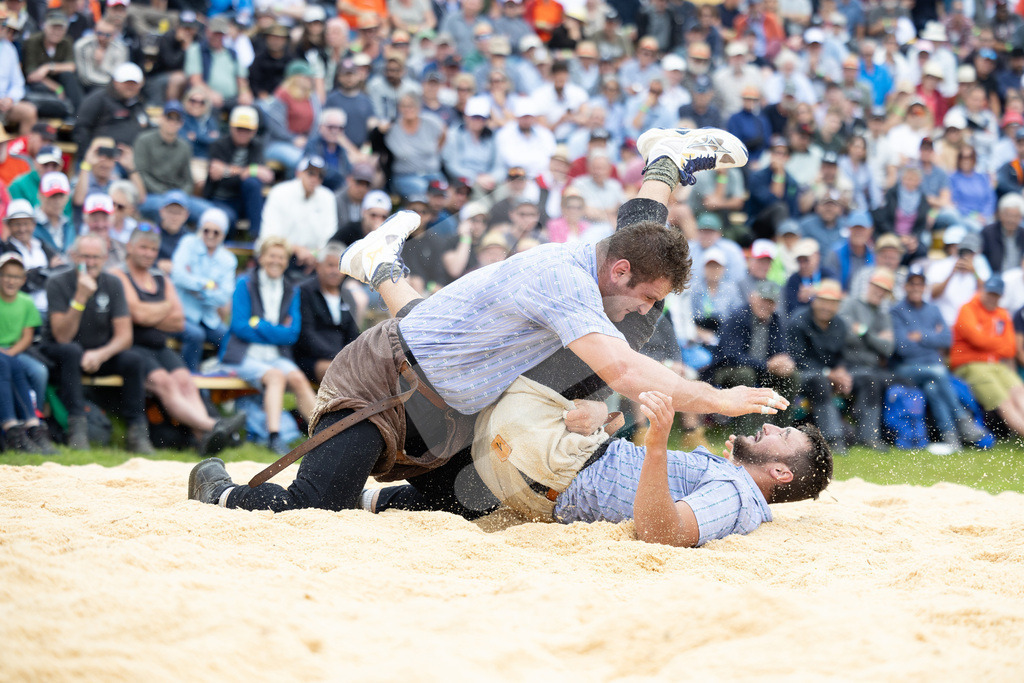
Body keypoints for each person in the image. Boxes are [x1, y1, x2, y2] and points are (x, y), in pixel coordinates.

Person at [188, 127, 781, 518]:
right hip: (385, 387)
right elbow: (624, 368)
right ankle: (216, 487)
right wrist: (718, 399)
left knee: (476, 502)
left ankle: (664, 160)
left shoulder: (610, 266)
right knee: (313, 509)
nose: (652, 307)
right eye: (649, 294)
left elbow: (639, 253)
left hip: (453, 395)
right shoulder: (565, 278)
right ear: (618, 271)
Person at [473, 389, 831, 547]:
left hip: (559, 471)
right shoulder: (732, 478)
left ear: (782, 473)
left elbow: (663, 534)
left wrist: (658, 444)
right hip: (573, 457)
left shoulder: (735, 495)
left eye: (782, 435)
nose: (769, 426)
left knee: (501, 379)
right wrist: (606, 416)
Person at [113, 227, 245, 455]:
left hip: (159, 346)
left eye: (153, 249)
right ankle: (213, 426)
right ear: (130, 247)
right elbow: (138, 315)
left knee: (185, 380)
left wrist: (150, 313)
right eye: (143, 247)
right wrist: (164, 308)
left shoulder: (160, 278)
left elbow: (179, 321)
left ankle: (201, 437)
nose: (148, 253)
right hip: (133, 347)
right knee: (165, 382)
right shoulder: (118, 275)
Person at [40, 234, 152, 452]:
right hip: (59, 355)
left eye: (95, 257)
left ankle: (137, 432)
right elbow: (62, 336)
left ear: (104, 258)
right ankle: (77, 429)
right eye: (84, 257)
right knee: (71, 351)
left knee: (135, 359)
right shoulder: (58, 282)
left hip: (97, 354)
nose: (90, 262)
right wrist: (80, 297)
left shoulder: (112, 282)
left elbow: (125, 336)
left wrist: (101, 354)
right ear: (73, 256)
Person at [219, 236, 317, 455]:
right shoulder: (245, 283)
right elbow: (239, 326)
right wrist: (275, 330)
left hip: (273, 355)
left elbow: (292, 334)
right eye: (272, 255)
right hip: (243, 355)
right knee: (276, 376)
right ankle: (274, 437)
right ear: (261, 258)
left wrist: (259, 325)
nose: (276, 261)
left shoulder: (292, 288)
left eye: (281, 257)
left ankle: (322, 435)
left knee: (299, 379)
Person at [892, 265, 987, 450]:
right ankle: (963, 420)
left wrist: (921, 336)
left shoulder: (933, 309)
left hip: (932, 370)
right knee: (939, 372)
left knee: (933, 388)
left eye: (920, 284)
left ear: (925, 287)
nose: (916, 288)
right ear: (905, 286)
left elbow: (947, 339)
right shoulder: (896, 311)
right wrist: (932, 337)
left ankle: (951, 437)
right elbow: (902, 348)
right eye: (912, 284)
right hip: (906, 368)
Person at [709, 280, 796, 437]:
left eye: (770, 302)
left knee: (792, 376)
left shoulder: (776, 321)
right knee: (745, 374)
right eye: (763, 300)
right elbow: (731, 355)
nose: (766, 305)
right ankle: (744, 435)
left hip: (760, 370)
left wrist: (786, 363)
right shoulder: (738, 317)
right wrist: (767, 365)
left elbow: (781, 351)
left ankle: (782, 434)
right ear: (752, 298)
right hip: (725, 370)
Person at [951, 275, 1024, 439]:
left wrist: (988, 342)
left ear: (1000, 296)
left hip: (995, 365)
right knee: (1004, 400)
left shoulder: (1002, 313)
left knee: (1019, 391)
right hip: (971, 364)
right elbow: (976, 339)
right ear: (983, 290)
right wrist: (997, 344)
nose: (992, 297)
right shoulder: (967, 309)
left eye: (996, 295)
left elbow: (1010, 348)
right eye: (990, 293)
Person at [0, 252, 56, 454]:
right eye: (6, 275)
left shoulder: (25, 302)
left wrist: (10, 353)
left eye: (16, 276)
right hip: (4, 354)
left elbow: (27, 337)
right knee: (7, 364)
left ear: (23, 280)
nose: (10, 280)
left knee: (39, 371)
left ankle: (34, 423)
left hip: (14, 351)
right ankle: (18, 427)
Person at [787, 279, 851, 453]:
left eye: (832, 303)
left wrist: (842, 372)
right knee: (819, 380)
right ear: (814, 300)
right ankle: (833, 438)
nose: (827, 307)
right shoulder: (798, 320)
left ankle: (867, 436)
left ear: (838, 306)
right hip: (799, 374)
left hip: (827, 374)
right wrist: (829, 373)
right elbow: (797, 359)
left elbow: (842, 356)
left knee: (867, 380)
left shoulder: (840, 324)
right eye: (823, 301)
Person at [171, 208, 235, 373]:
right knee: (196, 335)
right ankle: (189, 379)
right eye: (206, 230)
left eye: (216, 232)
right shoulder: (188, 243)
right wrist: (208, 285)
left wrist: (195, 287)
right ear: (200, 229)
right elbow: (178, 275)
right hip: (182, 312)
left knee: (230, 338)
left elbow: (223, 297)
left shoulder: (228, 259)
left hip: (207, 317)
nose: (210, 235)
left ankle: (216, 376)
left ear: (223, 234)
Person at [259, 156, 337, 276]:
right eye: (310, 173)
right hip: (282, 253)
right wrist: (297, 249)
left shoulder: (327, 197)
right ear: (299, 173)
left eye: (320, 175)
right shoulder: (280, 192)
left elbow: (329, 236)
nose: (315, 179)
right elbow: (269, 234)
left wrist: (315, 254)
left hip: (314, 259)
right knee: (274, 253)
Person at [134, 100, 211, 222]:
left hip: (178, 196)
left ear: (181, 123)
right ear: (161, 118)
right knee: (157, 207)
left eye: (177, 119)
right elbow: (141, 174)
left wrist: (179, 196)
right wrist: (166, 194)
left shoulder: (185, 146)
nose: (172, 122)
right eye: (169, 117)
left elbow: (188, 180)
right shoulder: (144, 140)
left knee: (210, 212)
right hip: (152, 195)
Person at [294, 243, 361, 383]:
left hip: (341, 359)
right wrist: (337, 356)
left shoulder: (348, 296)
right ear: (318, 266)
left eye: (338, 267)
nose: (335, 271)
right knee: (342, 375)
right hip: (311, 358)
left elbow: (352, 335)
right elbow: (306, 335)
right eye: (330, 265)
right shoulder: (305, 291)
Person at [204, 105, 272, 236]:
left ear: (254, 131)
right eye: (239, 128)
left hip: (243, 200)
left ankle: (256, 237)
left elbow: (266, 176)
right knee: (228, 217)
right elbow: (216, 175)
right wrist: (248, 171)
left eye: (247, 129)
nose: (243, 132)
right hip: (221, 199)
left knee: (253, 184)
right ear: (231, 127)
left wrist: (227, 171)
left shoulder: (257, 146)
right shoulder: (218, 145)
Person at [74, 62, 149, 151]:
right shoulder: (98, 98)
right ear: (116, 82)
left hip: (132, 158)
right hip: (102, 158)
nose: (130, 87)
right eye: (126, 83)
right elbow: (81, 128)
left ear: (140, 84)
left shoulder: (139, 103)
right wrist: (88, 156)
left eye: (134, 83)